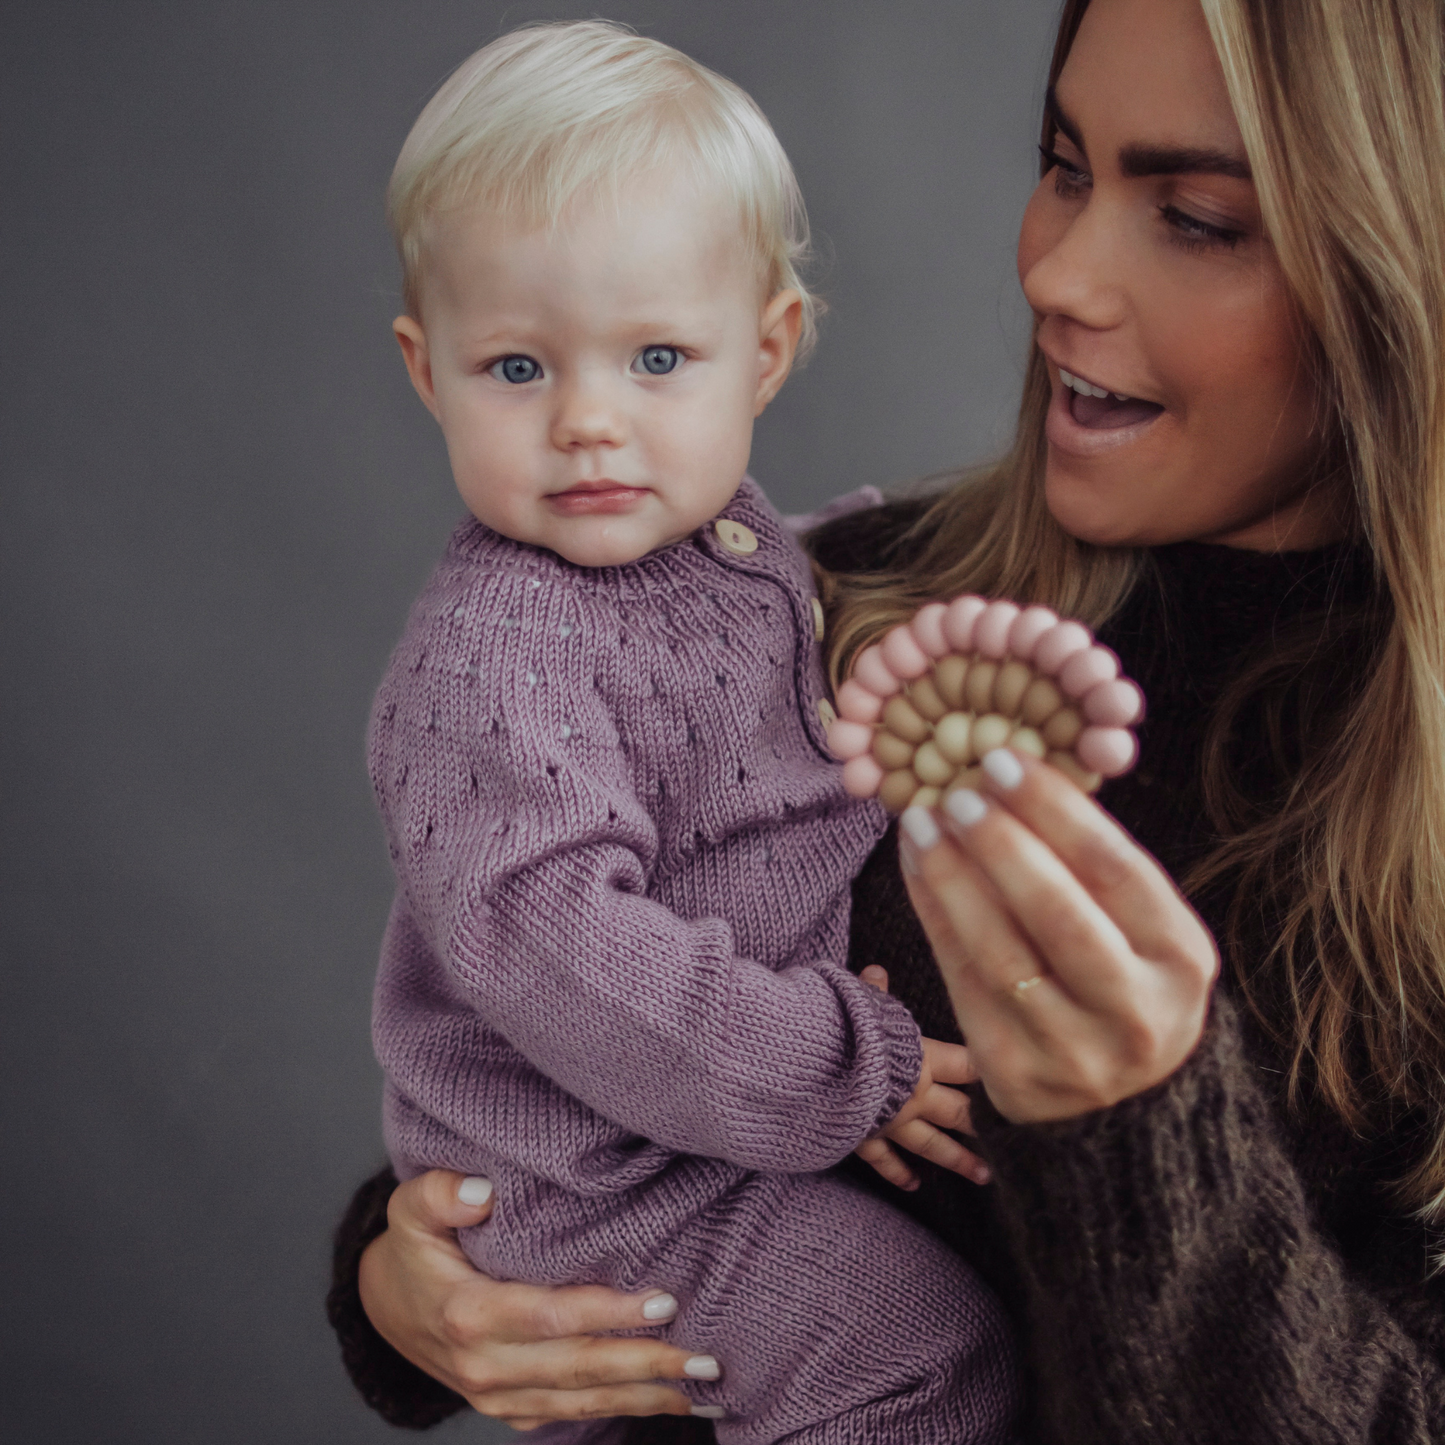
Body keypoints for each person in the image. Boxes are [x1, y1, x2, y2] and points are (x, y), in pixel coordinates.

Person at [327, 0, 1445, 1440]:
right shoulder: (835, 594)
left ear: (1399, 266)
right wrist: (411, 1277)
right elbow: (564, 995)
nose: (1056, 270)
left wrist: (1145, 1134)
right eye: (1063, 167)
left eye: (1199, 217)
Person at [360, 19, 1020, 1443]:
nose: (591, 422)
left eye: (657, 357)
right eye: (518, 371)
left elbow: (776, 584)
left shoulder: (721, 544)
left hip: (680, 1135)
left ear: (766, 352)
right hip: (591, 1177)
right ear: (429, 370)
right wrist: (849, 1068)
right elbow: (560, 947)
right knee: (907, 1357)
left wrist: (942, 567)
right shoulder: (501, 646)